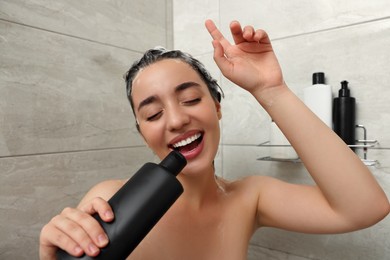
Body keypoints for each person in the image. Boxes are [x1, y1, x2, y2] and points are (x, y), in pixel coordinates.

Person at [39, 19, 390, 260]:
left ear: (217, 106)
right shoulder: (109, 202)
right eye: (153, 114)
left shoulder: (249, 198)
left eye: (191, 99)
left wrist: (271, 90)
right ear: (142, 132)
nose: (176, 119)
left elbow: (365, 207)